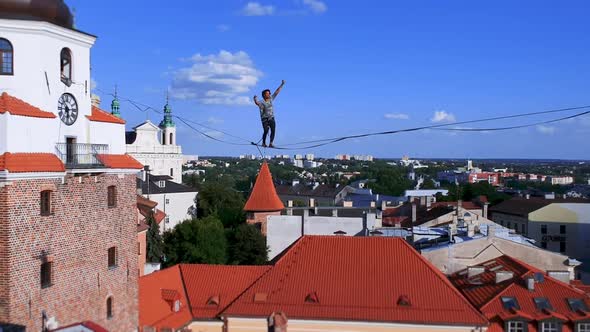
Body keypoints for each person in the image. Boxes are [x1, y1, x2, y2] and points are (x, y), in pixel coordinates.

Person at [253, 80, 285, 148]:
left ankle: (271, 143)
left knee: (273, 130)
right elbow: (257, 103)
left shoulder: (271, 99)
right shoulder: (261, 102)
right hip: (264, 119)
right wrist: (255, 99)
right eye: (267, 93)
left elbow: (277, 92)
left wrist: (282, 84)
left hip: (271, 118)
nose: (269, 94)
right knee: (266, 130)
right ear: (264, 95)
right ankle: (263, 143)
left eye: (269, 93)